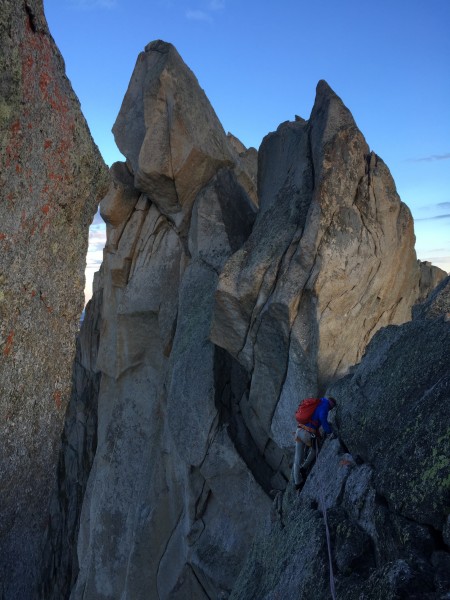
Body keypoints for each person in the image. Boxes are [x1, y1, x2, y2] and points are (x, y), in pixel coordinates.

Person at [293, 397, 336, 491]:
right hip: (306, 433)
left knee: (297, 458)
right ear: (331, 405)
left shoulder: (319, 401)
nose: (330, 409)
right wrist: (329, 432)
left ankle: (297, 482)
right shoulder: (325, 406)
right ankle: (304, 467)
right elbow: (323, 419)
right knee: (315, 449)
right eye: (331, 408)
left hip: (299, 430)